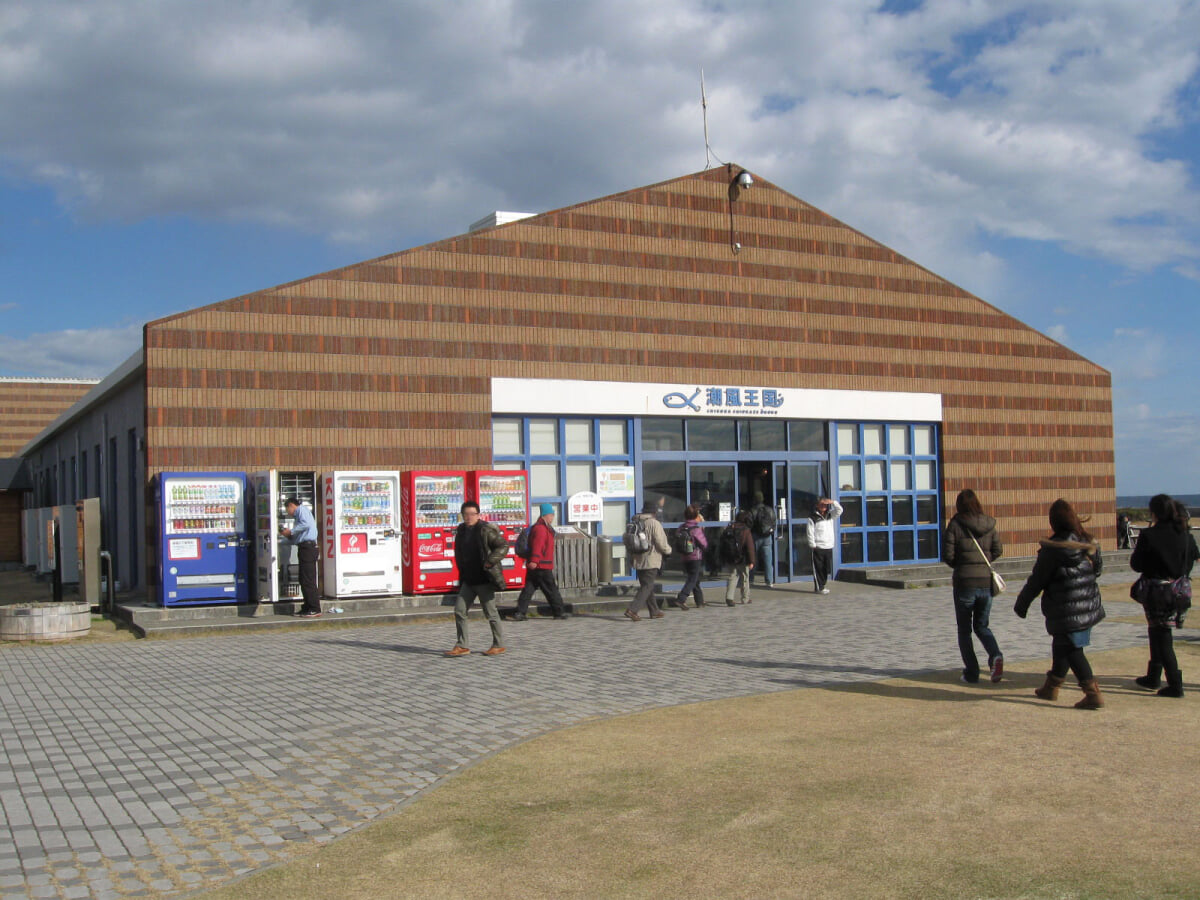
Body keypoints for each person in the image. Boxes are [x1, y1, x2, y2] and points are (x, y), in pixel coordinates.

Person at [1013, 499, 1106, 709]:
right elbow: (1097, 570)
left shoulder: (1052, 551)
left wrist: (1022, 604)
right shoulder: (1088, 543)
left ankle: (1092, 693)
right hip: (1087, 605)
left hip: (1065, 608)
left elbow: (1037, 580)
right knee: (1062, 645)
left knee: (1072, 649)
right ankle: (1051, 686)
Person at [1129, 494, 1198, 697]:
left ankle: (1175, 683)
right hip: (1179, 590)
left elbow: (1136, 564)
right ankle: (1153, 674)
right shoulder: (1184, 534)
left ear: (1154, 512)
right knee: (1158, 631)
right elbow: (1194, 556)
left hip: (1157, 591)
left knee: (1161, 635)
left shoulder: (1149, 535)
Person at [942, 489, 1005, 684]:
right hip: (985, 582)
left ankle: (972, 672)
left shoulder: (955, 525)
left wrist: (961, 566)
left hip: (964, 582)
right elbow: (998, 550)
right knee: (982, 625)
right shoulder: (990, 524)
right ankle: (995, 655)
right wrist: (984, 562)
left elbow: (948, 554)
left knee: (964, 630)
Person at [445, 501, 509, 656]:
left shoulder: (485, 530)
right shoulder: (461, 530)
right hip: (468, 579)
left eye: (472, 514)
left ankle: (498, 644)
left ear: (478, 515)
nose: (468, 517)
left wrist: (489, 562)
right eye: (465, 514)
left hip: (484, 578)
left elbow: (503, 546)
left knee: (490, 613)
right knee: (459, 610)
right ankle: (462, 645)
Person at [513, 503, 567, 620]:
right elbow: (538, 546)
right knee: (551, 590)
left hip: (537, 565)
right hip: (542, 565)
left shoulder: (540, 527)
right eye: (551, 515)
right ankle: (559, 612)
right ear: (545, 515)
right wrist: (535, 560)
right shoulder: (541, 529)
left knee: (528, 589)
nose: (552, 518)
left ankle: (520, 613)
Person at [624, 501, 672, 621]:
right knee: (647, 586)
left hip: (637, 558)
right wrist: (668, 551)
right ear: (654, 512)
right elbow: (661, 542)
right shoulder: (654, 523)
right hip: (651, 559)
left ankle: (654, 610)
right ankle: (632, 609)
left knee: (647, 586)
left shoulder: (635, 522)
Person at [281, 498, 321, 618]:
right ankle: (307, 607)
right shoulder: (298, 517)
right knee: (303, 579)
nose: (288, 512)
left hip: (308, 548)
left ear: (292, 505)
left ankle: (315, 608)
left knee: (308, 579)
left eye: (288, 509)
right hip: (304, 548)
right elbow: (297, 537)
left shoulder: (301, 510)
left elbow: (306, 524)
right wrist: (285, 537)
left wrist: (291, 531)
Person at [672, 505, 709, 609]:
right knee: (692, 579)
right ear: (696, 515)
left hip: (684, 556)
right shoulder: (696, 529)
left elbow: (677, 538)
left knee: (694, 579)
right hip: (695, 557)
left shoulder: (681, 527)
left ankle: (700, 601)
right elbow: (704, 544)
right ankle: (681, 598)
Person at [806, 497, 843, 594]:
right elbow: (810, 532)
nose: (823, 507)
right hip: (818, 546)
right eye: (821, 504)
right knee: (818, 568)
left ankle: (822, 584)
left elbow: (840, 510)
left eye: (825, 505)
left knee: (826, 568)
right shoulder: (812, 517)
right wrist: (812, 544)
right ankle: (819, 587)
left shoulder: (830, 515)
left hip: (828, 545)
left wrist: (833, 502)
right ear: (817, 505)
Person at [722, 510, 757, 606]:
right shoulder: (745, 530)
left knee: (732, 576)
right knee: (745, 577)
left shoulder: (729, 528)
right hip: (742, 558)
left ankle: (729, 597)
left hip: (731, 557)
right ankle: (745, 598)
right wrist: (752, 561)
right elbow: (750, 547)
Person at [748, 492, 777, 587]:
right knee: (768, 560)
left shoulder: (752, 510)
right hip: (767, 537)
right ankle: (769, 581)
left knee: (753, 559)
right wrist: (771, 531)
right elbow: (774, 521)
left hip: (755, 536)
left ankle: (751, 579)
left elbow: (749, 524)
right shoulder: (769, 510)